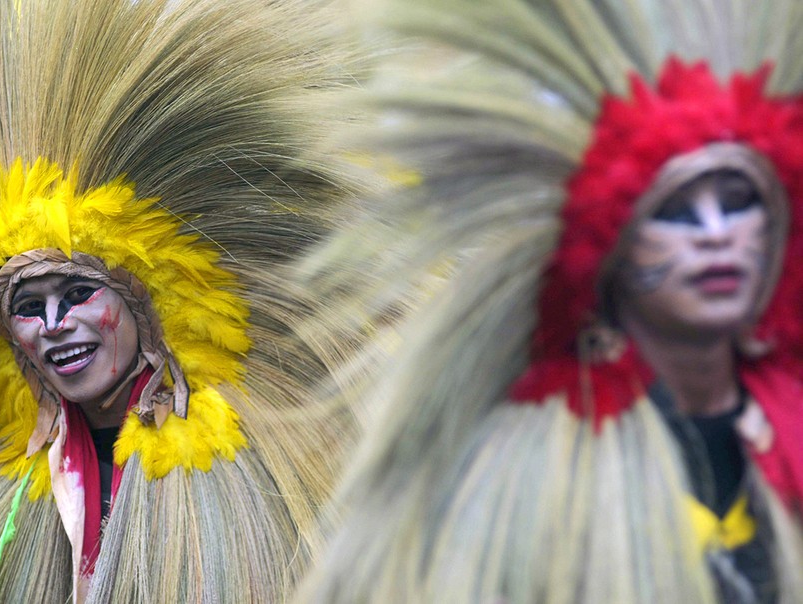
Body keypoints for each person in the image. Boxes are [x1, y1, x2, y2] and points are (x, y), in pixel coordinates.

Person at [298, 1, 803, 602]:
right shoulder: (539, 466)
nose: (715, 233)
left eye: (738, 200)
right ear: (609, 251)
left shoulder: (784, 421)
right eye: (676, 212)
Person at [0, 0, 359, 601]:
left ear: (145, 307)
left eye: (77, 294)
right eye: (28, 308)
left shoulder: (258, 483)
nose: (54, 325)